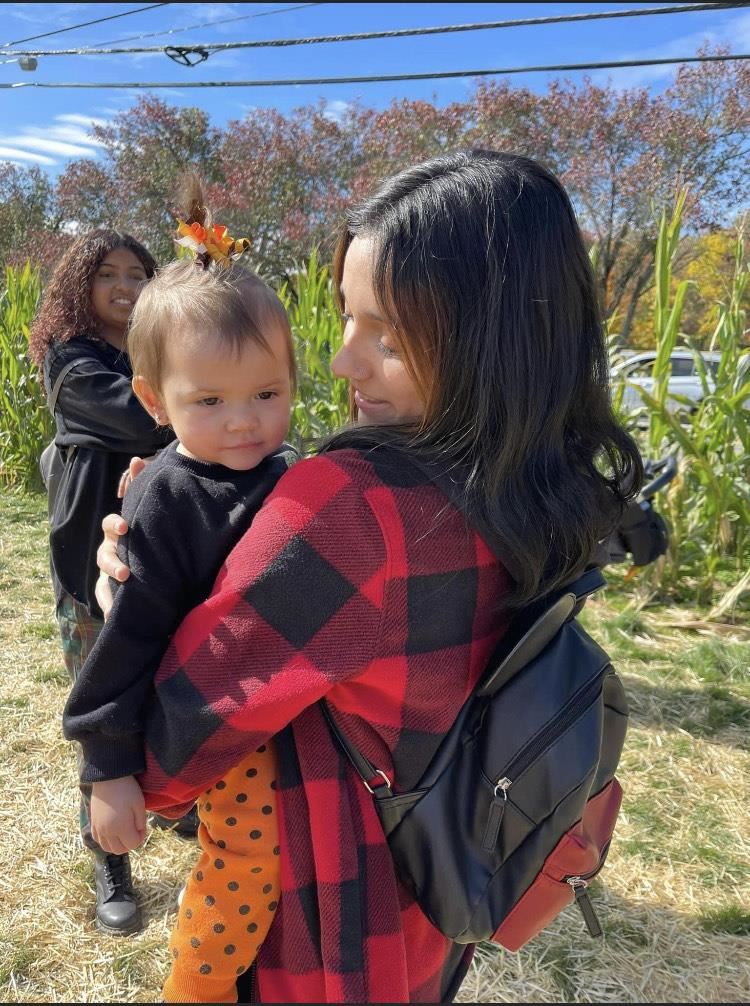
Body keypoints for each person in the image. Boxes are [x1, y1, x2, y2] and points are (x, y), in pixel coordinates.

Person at [95, 150, 643, 1002]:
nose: (346, 363)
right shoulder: (549, 484)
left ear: (489, 337)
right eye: (348, 320)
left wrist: (135, 595)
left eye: (386, 335)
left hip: (321, 920)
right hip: (441, 889)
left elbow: (174, 751)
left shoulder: (352, 508)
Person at [62, 182, 297, 1003]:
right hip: (229, 731)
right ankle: (199, 985)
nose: (244, 422)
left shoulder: (292, 476)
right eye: (211, 402)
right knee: (242, 869)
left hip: (299, 723)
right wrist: (108, 768)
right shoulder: (167, 495)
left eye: (267, 394)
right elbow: (127, 636)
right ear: (157, 403)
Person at [28, 229, 198, 939]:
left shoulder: (155, 354)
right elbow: (143, 416)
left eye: (139, 273)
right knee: (105, 706)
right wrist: (201, 404)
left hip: (162, 557)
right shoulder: (72, 364)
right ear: (81, 287)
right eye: (108, 275)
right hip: (90, 567)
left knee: (169, 689)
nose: (126, 287)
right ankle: (109, 858)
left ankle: (175, 804)